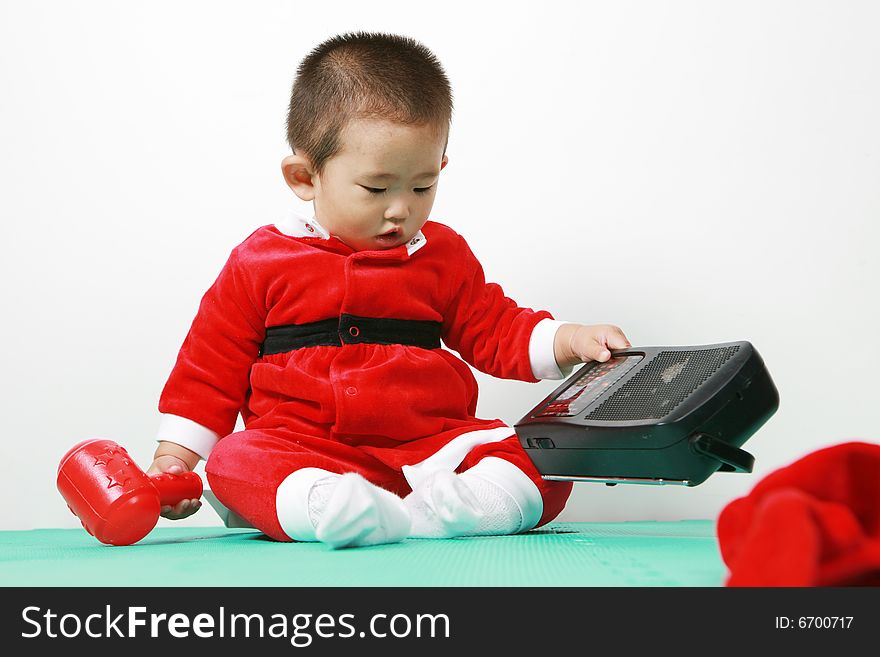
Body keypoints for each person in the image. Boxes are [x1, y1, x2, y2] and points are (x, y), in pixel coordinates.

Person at [147, 31, 631, 549]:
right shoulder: (258, 263)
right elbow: (209, 369)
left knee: (544, 456)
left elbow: (495, 325)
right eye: (376, 189)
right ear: (304, 177)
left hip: (432, 450)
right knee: (235, 463)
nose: (401, 209)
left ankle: (456, 509)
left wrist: (569, 339)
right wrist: (175, 458)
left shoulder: (441, 256)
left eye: (422, 186)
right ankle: (332, 507)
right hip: (306, 450)